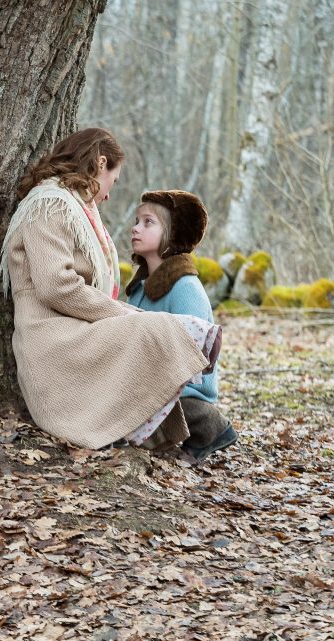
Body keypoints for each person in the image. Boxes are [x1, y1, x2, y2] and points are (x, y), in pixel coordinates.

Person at [0, 128, 221, 451]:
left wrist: (127, 314)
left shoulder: (72, 207)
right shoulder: (49, 204)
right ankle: (205, 426)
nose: (108, 195)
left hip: (71, 331)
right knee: (151, 329)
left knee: (157, 327)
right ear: (100, 164)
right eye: (113, 182)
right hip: (52, 341)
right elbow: (56, 287)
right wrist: (123, 315)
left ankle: (203, 422)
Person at [126, 190, 238, 461]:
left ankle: (209, 426)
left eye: (148, 222)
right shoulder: (139, 288)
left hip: (185, 392)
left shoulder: (185, 287)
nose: (136, 228)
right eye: (137, 221)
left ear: (172, 233)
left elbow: (194, 356)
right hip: (148, 384)